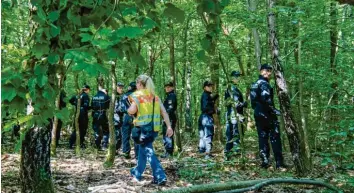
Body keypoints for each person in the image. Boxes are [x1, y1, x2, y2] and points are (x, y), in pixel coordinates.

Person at [128, 74, 173, 185]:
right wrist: (169, 127)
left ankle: (160, 176)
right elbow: (164, 112)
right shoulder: (155, 96)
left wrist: (128, 109)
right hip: (154, 129)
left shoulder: (137, 95)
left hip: (143, 129)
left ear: (139, 83)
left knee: (148, 151)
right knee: (144, 151)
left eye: (137, 83)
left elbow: (132, 111)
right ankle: (137, 172)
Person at [250, 64, 286, 169]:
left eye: (270, 71)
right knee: (274, 137)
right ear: (261, 71)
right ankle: (279, 163)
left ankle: (265, 162)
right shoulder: (264, 84)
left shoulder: (254, 84)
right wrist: (274, 110)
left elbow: (252, 103)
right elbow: (266, 99)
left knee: (262, 137)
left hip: (258, 114)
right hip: (267, 114)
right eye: (267, 70)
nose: (269, 73)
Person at [224, 71, 247, 159]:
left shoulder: (230, 88)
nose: (238, 78)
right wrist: (243, 104)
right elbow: (235, 104)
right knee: (235, 135)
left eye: (238, 77)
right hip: (235, 115)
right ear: (232, 78)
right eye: (236, 76)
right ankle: (236, 156)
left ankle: (228, 155)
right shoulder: (232, 89)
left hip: (231, 115)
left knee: (230, 135)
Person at [199, 80, 219, 159]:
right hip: (206, 117)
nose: (211, 87)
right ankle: (207, 154)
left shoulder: (207, 95)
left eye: (211, 86)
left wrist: (214, 98)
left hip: (204, 117)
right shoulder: (205, 95)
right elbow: (205, 107)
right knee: (208, 134)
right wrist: (215, 111)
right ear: (204, 87)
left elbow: (208, 102)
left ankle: (202, 152)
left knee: (203, 134)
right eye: (208, 86)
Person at [69, 85, 91, 149]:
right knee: (83, 129)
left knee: (76, 129)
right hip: (83, 115)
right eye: (89, 90)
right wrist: (92, 107)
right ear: (87, 89)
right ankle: (80, 143)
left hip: (77, 113)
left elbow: (70, 101)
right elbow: (86, 106)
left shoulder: (77, 95)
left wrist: (76, 105)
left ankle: (71, 143)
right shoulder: (85, 96)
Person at [120, 82, 138, 159]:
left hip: (126, 116)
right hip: (136, 117)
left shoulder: (124, 96)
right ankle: (138, 154)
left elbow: (120, 108)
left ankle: (126, 152)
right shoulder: (138, 95)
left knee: (125, 135)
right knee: (136, 135)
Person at [161, 81, 177, 158]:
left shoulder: (172, 96)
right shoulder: (168, 96)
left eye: (169, 87)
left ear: (172, 87)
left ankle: (169, 152)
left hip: (169, 117)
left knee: (168, 134)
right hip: (167, 117)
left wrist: (166, 117)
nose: (167, 88)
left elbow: (170, 108)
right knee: (165, 133)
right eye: (166, 87)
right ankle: (168, 151)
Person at [114, 82, 125, 154]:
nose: (121, 89)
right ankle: (114, 150)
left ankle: (116, 150)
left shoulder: (120, 97)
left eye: (122, 88)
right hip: (115, 119)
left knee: (119, 136)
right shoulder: (114, 97)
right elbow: (117, 109)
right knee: (117, 135)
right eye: (120, 87)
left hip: (119, 119)